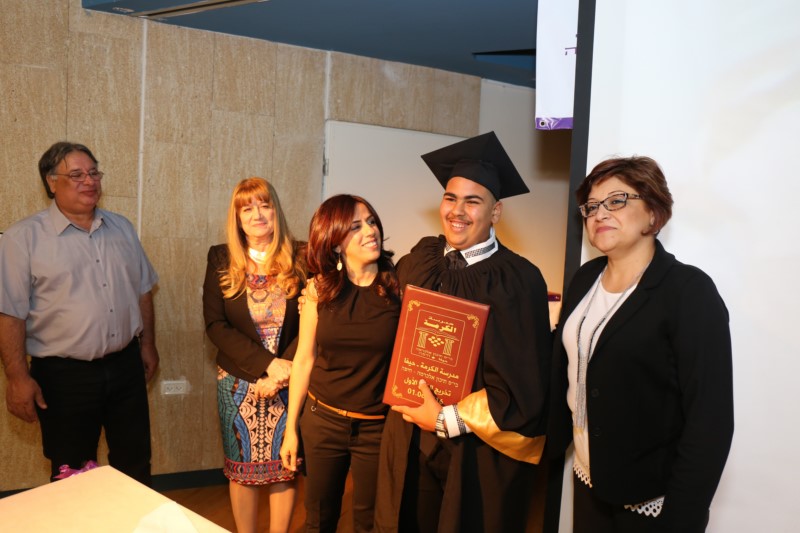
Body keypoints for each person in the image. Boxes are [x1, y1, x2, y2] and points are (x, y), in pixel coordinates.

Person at [374, 132, 553, 533]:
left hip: (476, 452)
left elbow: (525, 385)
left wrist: (444, 418)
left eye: (473, 201)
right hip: (409, 439)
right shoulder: (420, 259)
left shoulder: (518, 281)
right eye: (450, 198)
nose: (457, 211)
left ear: (496, 211)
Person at [547, 156, 734, 532]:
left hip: (651, 500)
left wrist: (681, 520)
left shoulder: (688, 292)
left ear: (653, 213)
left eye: (616, 201)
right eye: (591, 206)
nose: (600, 213)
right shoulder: (585, 278)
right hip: (588, 480)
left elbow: (709, 422)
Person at [0, 141, 159, 485]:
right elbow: (10, 315)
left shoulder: (122, 228)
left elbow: (143, 291)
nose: (89, 181)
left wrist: (147, 345)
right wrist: (17, 377)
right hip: (63, 377)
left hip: (126, 367)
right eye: (76, 175)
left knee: (135, 463)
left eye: (93, 172)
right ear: (51, 182)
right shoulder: (21, 239)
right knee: (72, 474)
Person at [280, 194, 401, 533]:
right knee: (318, 520)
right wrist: (291, 430)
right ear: (335, 243)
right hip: (322, 422)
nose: (370, 231)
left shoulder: (398, 288)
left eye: (372, 222)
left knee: (369, 523)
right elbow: (304, 360)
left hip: (376, 428)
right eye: (355, 227)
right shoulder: (319, 290)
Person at [203, 177, 307, 533]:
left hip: (290, 382)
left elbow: (313, 321)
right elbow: (215, 325)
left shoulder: (302, 255)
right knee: (242, 471)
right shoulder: (220, 257)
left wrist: (283, 371)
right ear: (237, 217)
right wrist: (268, 366)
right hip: (237, 382)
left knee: (285, 468)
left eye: (264, 205)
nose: (257, 215)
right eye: (247, 208)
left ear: (276, 210)